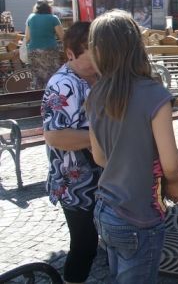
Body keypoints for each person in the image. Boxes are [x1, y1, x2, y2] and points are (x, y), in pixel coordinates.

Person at [86, 10, 178, 283]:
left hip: (105, 209)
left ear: (97, 51)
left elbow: (99, 157)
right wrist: (176, 183)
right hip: (139, 214)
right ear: (137, 47)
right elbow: (171, 163)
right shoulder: (154, 94)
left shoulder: (95, 94)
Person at [42, 22, 101, 284]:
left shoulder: (99, 75)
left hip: (104, 175)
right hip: (75, 182)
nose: (99, 58)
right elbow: (55, 136)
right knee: (84, 244)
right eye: (92, 52)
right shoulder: (62, 83)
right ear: (70, 54)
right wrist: (105, 139)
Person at [25, 0, 64, 88]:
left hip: (33, 50)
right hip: (50, 50)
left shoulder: (31, 17)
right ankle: (51, 93)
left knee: (37, 76)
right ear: (49, 7)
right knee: (52, 75)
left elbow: (27, 37)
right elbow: (62, 37)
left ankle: (37, 94)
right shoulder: (53, 18)